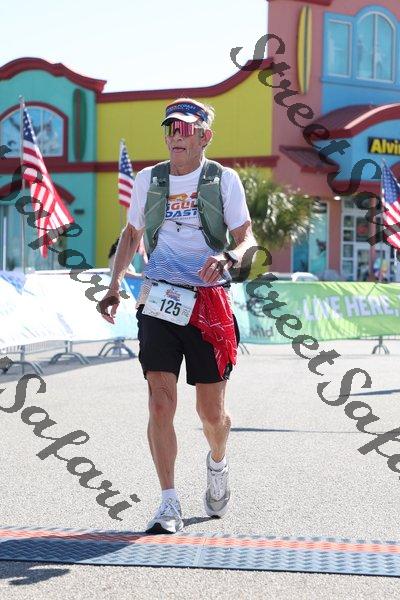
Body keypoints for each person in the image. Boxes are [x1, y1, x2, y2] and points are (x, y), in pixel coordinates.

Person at [98, 97, 256, 534]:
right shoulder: (149, 180)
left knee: (211, 415)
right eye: (170, 128)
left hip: (208, 301)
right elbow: (132, 233)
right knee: (159, 400)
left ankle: (217, 461)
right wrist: (114, 285)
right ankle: (168, 502)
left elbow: (246, 238)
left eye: (185, 129)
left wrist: (229, 257)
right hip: (160, 297)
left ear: (205, 136)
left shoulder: (223, 180)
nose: (175, 136)